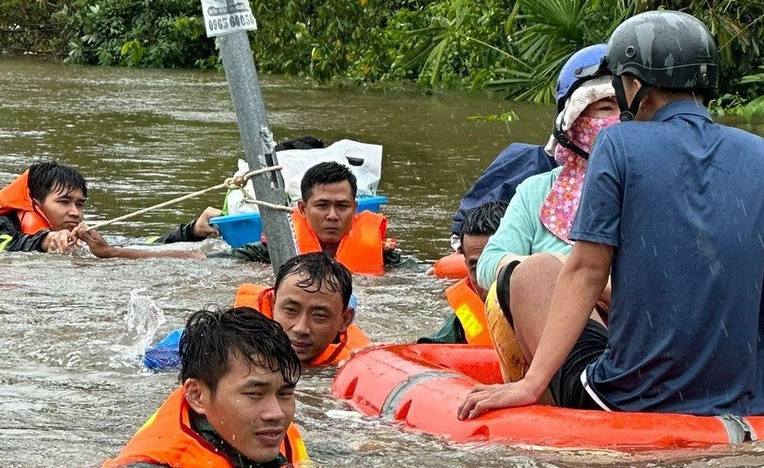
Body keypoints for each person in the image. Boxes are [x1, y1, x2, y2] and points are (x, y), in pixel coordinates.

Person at [457, 10, 764, 421]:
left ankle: (548, 402)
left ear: (635, 85)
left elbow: (586, 272)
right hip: (747, 401)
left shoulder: (618, 146)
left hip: (630, 399)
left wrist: (529, 385)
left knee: (533, 273)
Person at [474, 44, 619, 378]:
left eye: (621, 111)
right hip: (551, 330)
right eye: (604, 108)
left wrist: (597, 285)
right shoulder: (536, 191)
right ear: (574, 119)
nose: (615, 122)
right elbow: (489, 262)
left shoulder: (650, 189)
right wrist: (563, 273)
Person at [99, 306, 311, 468]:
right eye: (254, 393)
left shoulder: (267, 431)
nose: (276, 414)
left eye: (284, 393)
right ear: (197, 396)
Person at [143, 253, 369, 371]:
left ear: (345, 320)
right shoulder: (226, 339)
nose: (300, 328)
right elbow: (150, 360)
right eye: (290, 310)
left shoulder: (359, 357)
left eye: (319, 316)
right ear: (272, 304)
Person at [0, 161, 219, 258]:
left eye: (79, 204)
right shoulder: (2, 223)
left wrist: (193, 231)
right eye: (64, 202)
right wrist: (46, 240)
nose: (75, 212)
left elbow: (145, 243)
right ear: (35, 203)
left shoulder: (82, 236)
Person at [234, 161, 401, 273]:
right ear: (303, 209)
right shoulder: (276, 248)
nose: (333, 216)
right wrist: (205, 237)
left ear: (355, 209)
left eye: (342, 206)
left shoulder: (383, 255)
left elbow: (416, 272)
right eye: (322, 205)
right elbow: (220, 259)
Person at [418, 201, 506, 345]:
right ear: (466, 266)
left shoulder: (552, 305)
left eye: (497, 264)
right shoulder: (463, 320)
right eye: (476, 268)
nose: (487, 279)